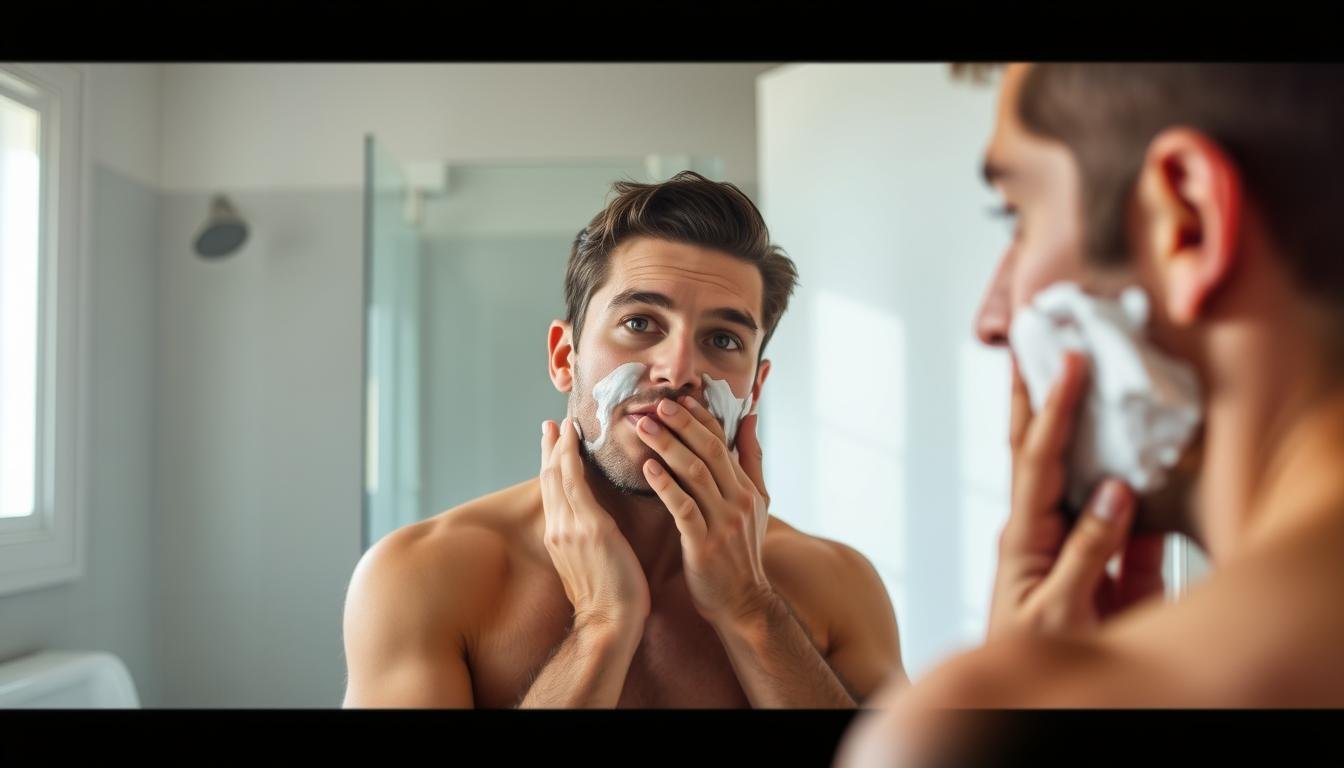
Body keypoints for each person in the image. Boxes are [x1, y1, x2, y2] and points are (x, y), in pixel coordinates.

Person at [840, 62, 1344, 764]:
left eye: (1014, 215)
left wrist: (1019, 687)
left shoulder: (984, 727)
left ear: (1188, 224)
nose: (992, 319)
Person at [342, 171, 905, 707]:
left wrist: (750, 607)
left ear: (754, 387)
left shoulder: (837, 587)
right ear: (565, 358)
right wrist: (602, 625)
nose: (679, 369)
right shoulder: (422, 576)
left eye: (723, 340)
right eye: (640, 323)